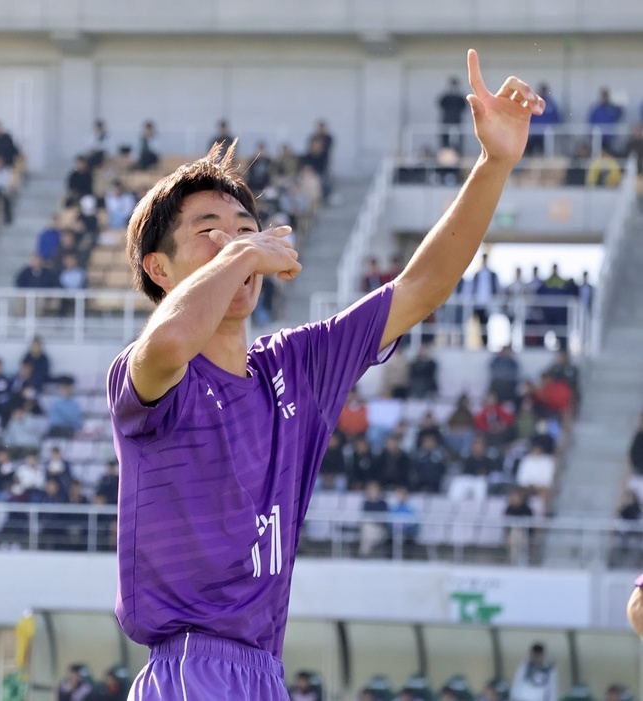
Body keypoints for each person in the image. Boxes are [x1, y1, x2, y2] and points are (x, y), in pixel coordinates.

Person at [106, 50, 543, 699]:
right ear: (159, 269)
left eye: (245, 227)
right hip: (190, 667)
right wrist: (244, 251)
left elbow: (420, 287)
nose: (233, 241)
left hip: (263, 670)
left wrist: (494, 163)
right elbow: (169, 338)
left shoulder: (296, 366)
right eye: (208, 231)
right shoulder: (149, 372)